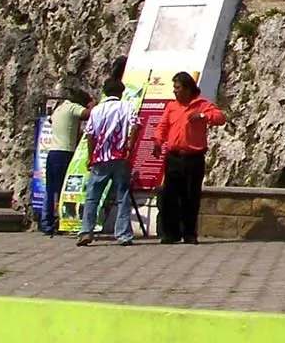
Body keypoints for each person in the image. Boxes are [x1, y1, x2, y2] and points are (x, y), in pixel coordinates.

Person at [153, 71, 225, 245]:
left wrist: (202, 116)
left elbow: (220, 118)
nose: (175, 91)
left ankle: (189, 234)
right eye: (174, 88)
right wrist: (157, 141)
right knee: (170, 195)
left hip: (193, 158)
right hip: (174, 157)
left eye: (178, 88)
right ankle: (170, 233)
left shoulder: (202, 105)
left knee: (191, 196)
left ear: (187, 88)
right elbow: (162, 126)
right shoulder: (171, 106)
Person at [77, 76, 139, 247]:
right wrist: (129, 148)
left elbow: (90, 134)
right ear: (121, 92)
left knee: (92, 197)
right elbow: (135, 126)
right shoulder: (127, 107)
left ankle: (86, 231)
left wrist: (91, 156)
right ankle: (123, 234)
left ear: (105, 92)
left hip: (100, 158)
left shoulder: (97, 110)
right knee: (122, 196)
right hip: (120, 157)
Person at [40, 87, 88, 236]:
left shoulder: (59, 109)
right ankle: (64, 222)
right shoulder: (73, 107)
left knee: (50, 189)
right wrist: (93, 106)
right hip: (65, 153)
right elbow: (89, 114)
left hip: (52, 152)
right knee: (64, 190)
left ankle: (47, 224)